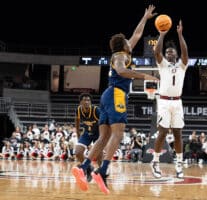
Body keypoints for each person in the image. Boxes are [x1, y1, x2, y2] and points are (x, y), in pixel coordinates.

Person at [71, 4, 159, 194]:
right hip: (116, 94)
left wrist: (144, 18)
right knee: (117, 134)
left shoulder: (124, 52)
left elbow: (136, 35)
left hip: (107, 94)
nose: (131, 41)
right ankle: (102, 171)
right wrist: (146, 76)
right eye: (127, 41)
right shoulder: (120, 55)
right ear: (123, 45)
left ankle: (84, 167)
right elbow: (121, 70)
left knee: (104, 137)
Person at [150, 19, 189, 179]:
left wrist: (180, 35)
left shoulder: (182, 65)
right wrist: (161, 35)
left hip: (177, 101)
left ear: (176, 54)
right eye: (167, 53)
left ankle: (179, 164)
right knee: (163, 132)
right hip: (164, 101)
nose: (168, 54)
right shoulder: (163, 65)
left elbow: (185, 53)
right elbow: (156, 52)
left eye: (171, 52)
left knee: (178, 133)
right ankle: (155, 161)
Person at [73, 93, 102, 185]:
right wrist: (78, 137)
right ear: (80, 102)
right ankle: (89, 168)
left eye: (88, 100)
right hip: (87, 133)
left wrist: (103, 138)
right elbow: (77, 124)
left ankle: (102, 174)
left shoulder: (96, 110)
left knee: (98, 155)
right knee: (77, 152)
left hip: (98, 133)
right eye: (84, 100)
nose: (87, 102)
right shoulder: (78, 110)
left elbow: (104, 123)